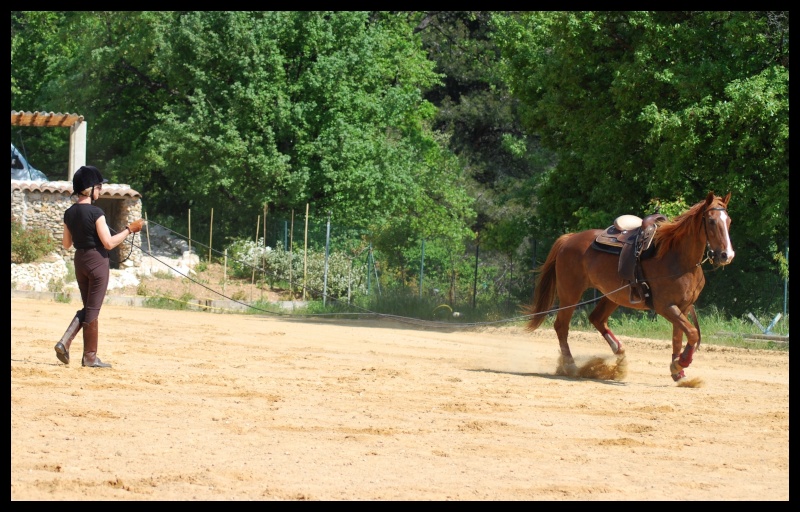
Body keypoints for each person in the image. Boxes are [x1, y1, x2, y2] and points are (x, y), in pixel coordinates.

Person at [54, 165, 143, 368]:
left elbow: (67, 244)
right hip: (97, 262)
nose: (101, 190)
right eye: (99, 186)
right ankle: (89, 357)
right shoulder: (96, 212)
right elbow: (109, 243)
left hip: (80, 261)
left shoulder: (69, 213)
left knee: (89, 307)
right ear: (90, 188)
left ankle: (66, 343)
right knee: (93, 310)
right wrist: (130, 229)